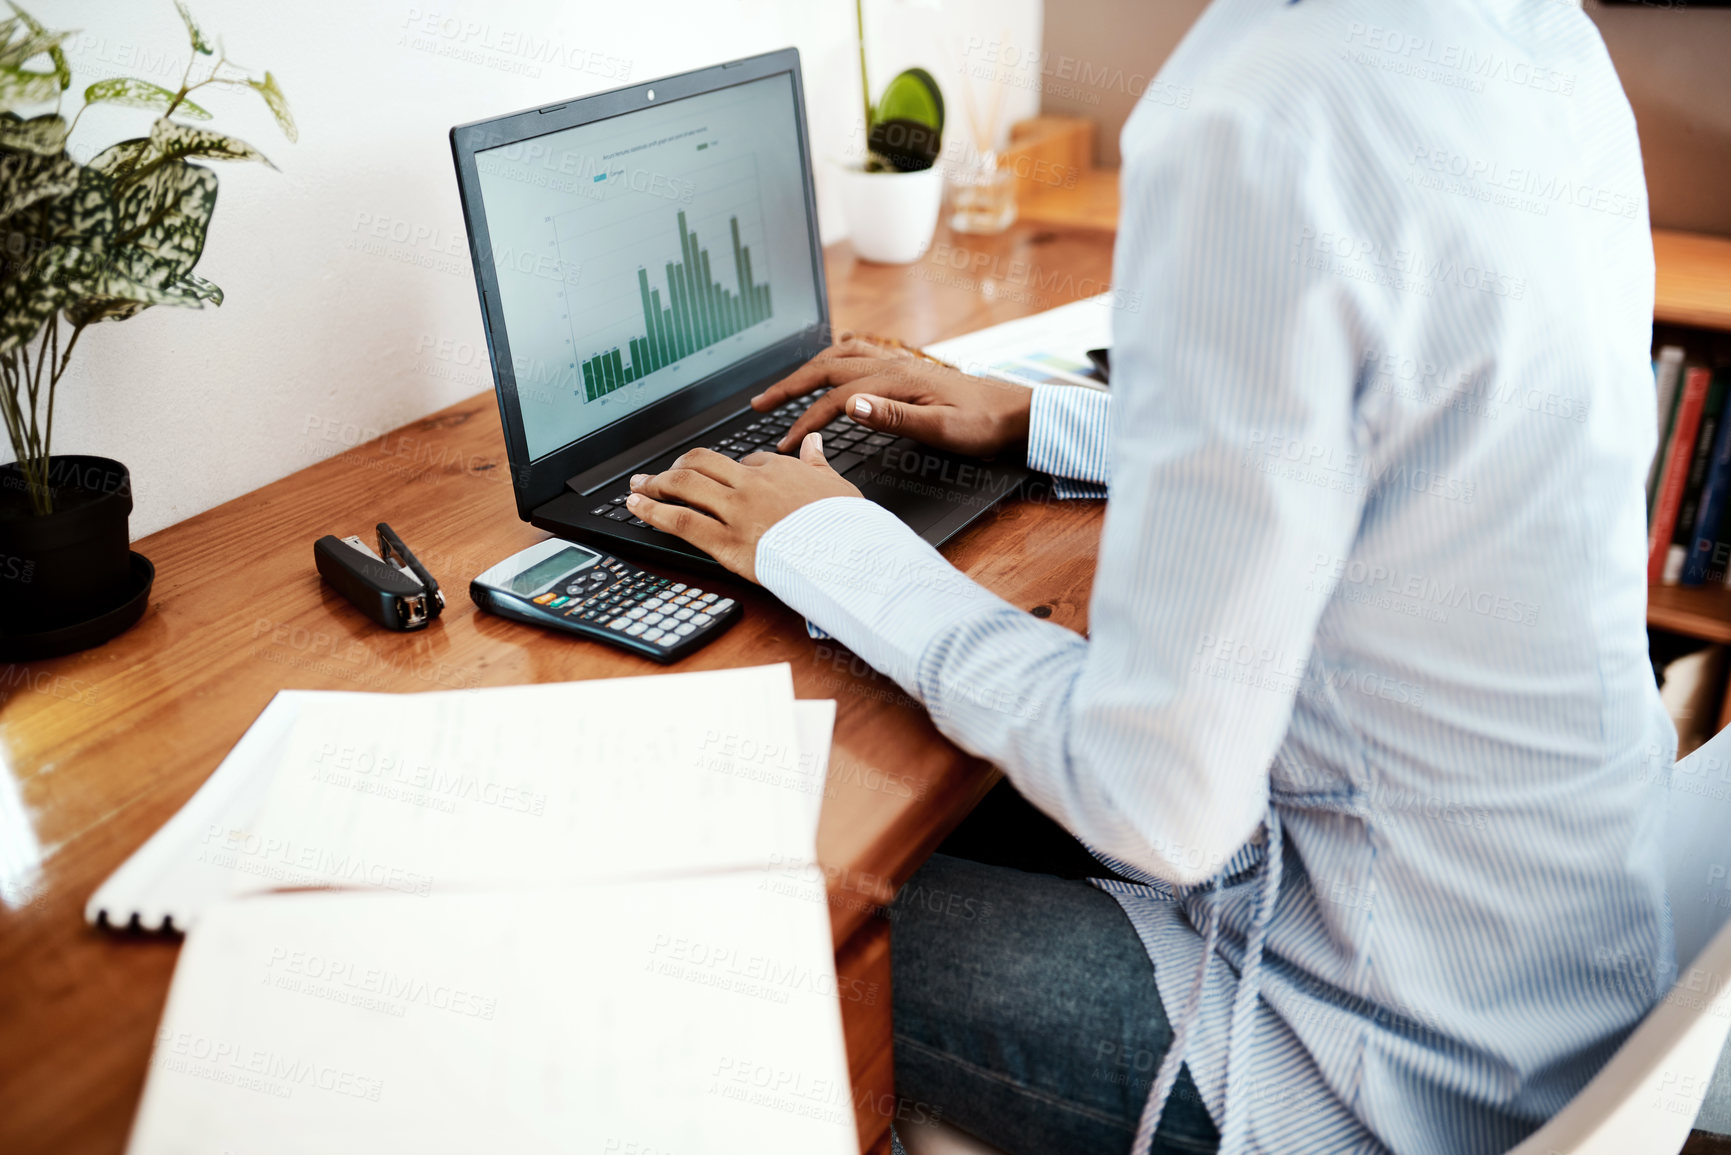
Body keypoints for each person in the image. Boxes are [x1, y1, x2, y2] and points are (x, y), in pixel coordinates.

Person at [623, 1, 1673, 1151]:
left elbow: (1158, 800)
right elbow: (1408, 449)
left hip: (1366, 1068)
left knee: (717, 914)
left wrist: (829, 540)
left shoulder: (1265, 106)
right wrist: (1052, 423)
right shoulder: (1534, 39)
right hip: (1568, 991)